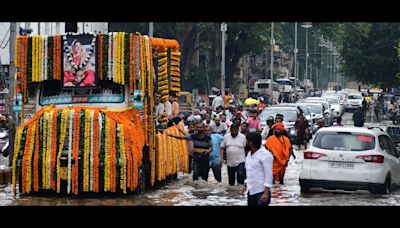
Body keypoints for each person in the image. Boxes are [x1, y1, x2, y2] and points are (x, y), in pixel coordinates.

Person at [241, 132, 273, 206]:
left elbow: (269, 175)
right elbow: (250, 171)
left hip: (261, 191)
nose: (245, 143)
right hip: (251, 190)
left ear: (251, 142)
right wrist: (245, 185)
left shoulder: (265, 155)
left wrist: (266, 193)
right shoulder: (249, 154)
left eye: (246, 141)